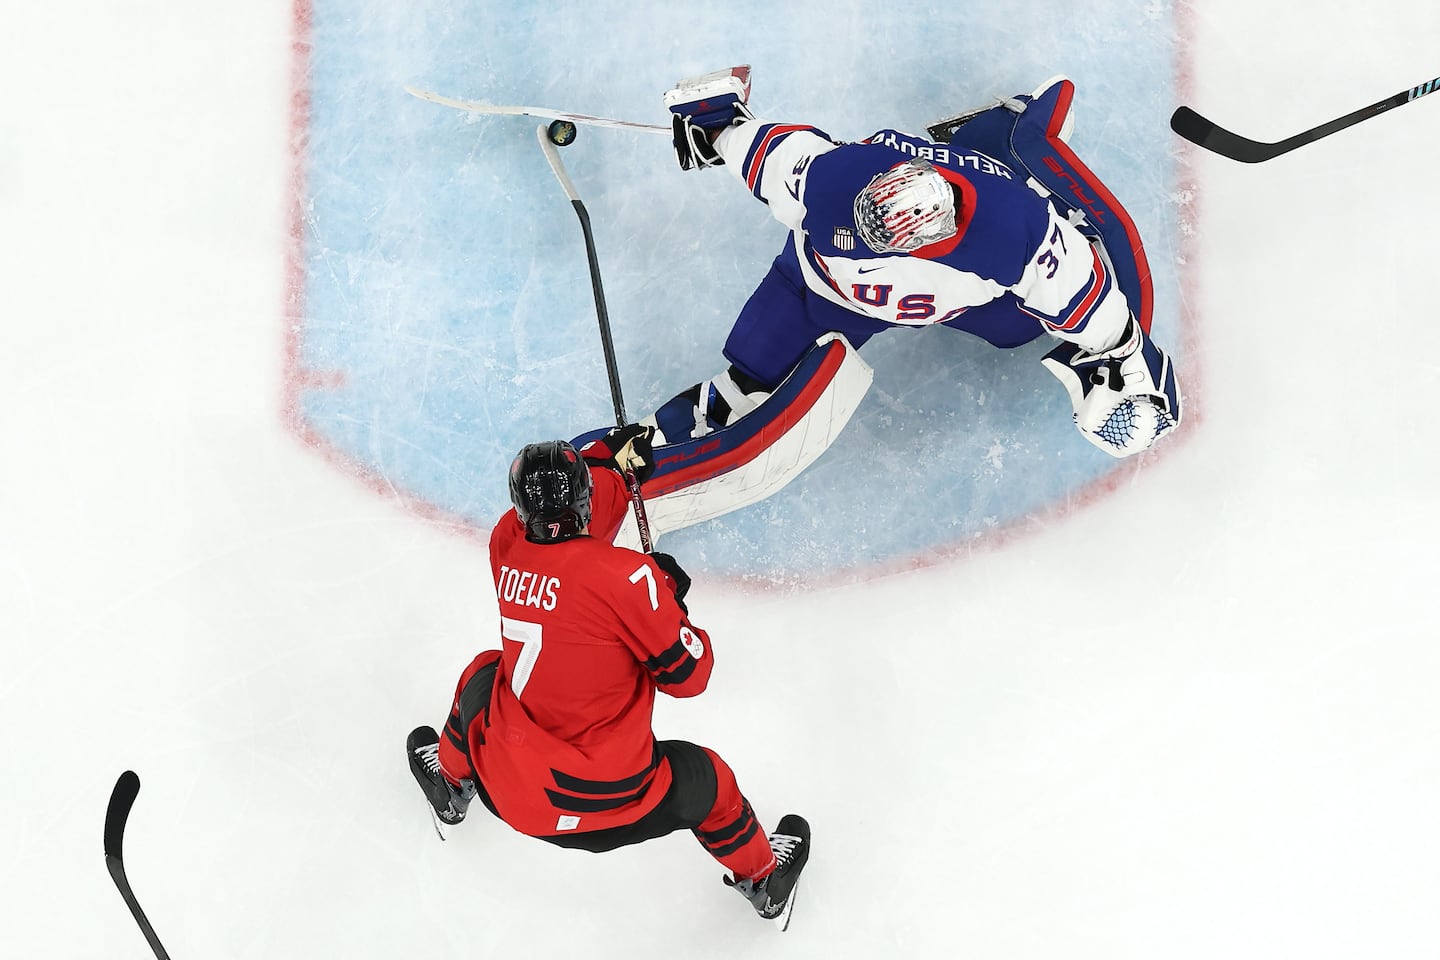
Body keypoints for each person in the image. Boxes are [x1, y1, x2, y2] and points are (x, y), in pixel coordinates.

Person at [575, 69, 1183, 548]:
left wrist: (1125, 356)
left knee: (1018, 331)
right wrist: (719, 122)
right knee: (750, 387)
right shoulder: (827, 179)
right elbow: (763, 150)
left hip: (958, 300)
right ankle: (642, 449)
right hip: (816, 291)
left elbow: (1090, 296)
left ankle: (1009, 139)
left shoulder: (1014, 235)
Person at [406, 424, 809, 923]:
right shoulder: (628, 579)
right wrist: (669, 603)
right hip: (607, 800)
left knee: (482, 674)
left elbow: (570, 548)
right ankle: (764, 881)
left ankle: (451, 784)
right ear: (583, 500)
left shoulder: (506, 545)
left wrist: (607, 460)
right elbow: (690, 676)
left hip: (508, 787)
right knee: (711, 783)